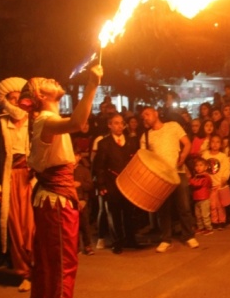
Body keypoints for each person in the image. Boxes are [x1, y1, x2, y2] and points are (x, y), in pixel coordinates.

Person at [16, 65, 102, 298]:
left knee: (45, 260)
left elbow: (74, 123)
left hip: (50, 199)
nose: (53, 78)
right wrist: (92, 85)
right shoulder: (44, 120)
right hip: (56, 201)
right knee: (64, 262)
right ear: (41, 96)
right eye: (45, 80)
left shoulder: (46, 118)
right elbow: (77, 124)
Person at [0, 77, 35, 292]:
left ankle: (39, 269)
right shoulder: (0, 124)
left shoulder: (35, 120)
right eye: (11, 98)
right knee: (15, 227)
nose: (15, 102)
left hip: (32, 178)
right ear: (5, 101)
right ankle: (23, 271)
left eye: (18, 98)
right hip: (10, 178)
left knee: (33, 226)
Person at [140, 106, 199, 253]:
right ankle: (166, 239)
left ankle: (188, 236)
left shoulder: (173, 126)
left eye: (147, 114)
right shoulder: (146, 136)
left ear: (156, 113)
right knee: (164, 210)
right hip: (161, 177)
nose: (145, 117)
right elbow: (144, 158)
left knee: (184, 206)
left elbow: (187, 143)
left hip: (178, 172)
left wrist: (183, 157)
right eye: (143, 116)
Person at [93, 113, 140, 254]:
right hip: (111, 183)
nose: (120, 126)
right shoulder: (104, 143)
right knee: (114, 214)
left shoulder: (131, 142)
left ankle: (131, 239)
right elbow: (99, 167)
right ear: (110, 125)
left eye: (122, 123)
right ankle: (117, 242)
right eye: (116, 123)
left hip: (128, 183)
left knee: (129, 212)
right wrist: (101, 185)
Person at [202, 134, 230, 229]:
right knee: (212, 205)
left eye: (217, 142)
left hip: (219, 184)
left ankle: (222, 220)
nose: (215, 144)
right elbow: (202, 167)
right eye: (213, 142)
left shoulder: (222, 156)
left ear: (221, 145)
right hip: (210, 185)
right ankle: (214, 221)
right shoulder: (205, 155)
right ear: (210, 144)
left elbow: (227, 168)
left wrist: (224, 178)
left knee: (220, 205)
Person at [73, 151, 95, 255]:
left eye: (74, 156)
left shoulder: (84, 170)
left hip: (83, 200)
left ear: (78, 157)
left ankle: (87, 246)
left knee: (85, 225)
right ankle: (75, 247)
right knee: (73, 226)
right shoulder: (66, 171)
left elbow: (90, 186)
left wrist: (80, 184)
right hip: (71, 201)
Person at [189, 157, 213, 235]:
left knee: (205, 215)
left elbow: (197, 184)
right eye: (196, 165)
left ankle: (209, 228)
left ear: (205, 167)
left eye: (201, 165)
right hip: (197, 198)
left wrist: (189, 179)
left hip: (204, 198)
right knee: (198, 215)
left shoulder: (205, 176)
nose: (198, 167)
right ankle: (201, 228)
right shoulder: (197, 176)